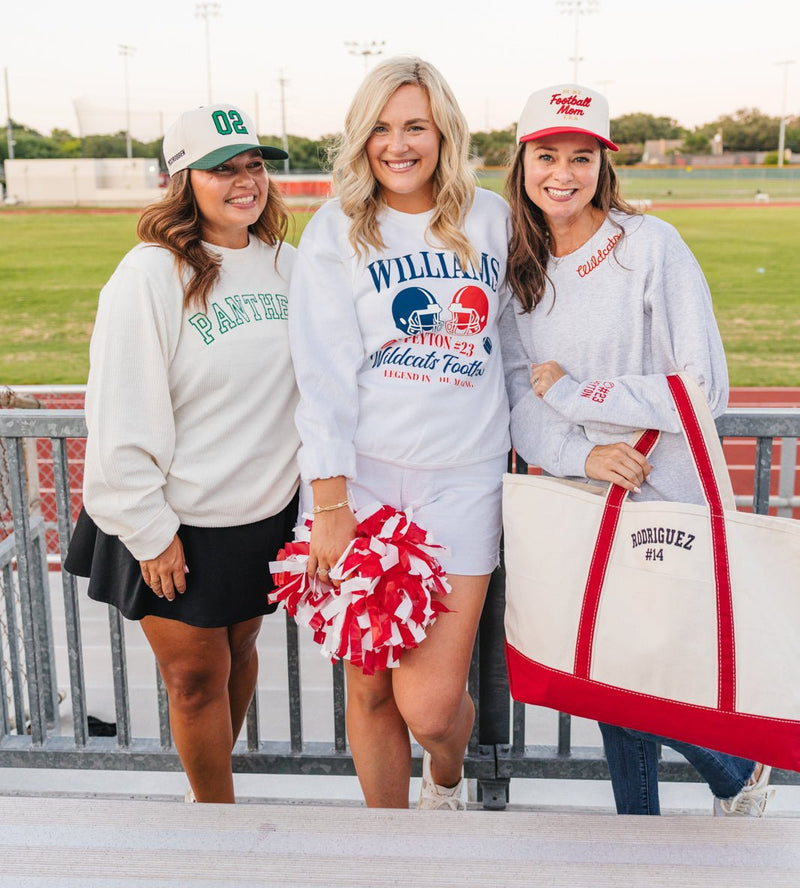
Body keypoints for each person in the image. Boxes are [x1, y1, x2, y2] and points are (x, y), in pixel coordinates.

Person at [500, 84, 773, 817]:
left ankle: (729, 773)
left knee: (634, 672)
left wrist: (585, 397)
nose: (564, 172)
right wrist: (579, 454)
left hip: (667, 490)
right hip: (585, 493)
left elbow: (703, 386)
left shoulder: (649, 245)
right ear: (523, 160)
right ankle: (705, 792)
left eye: (581, 156)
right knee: (605, 673)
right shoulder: (516, 267)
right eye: (548, 155)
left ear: (602, 164)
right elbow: (518, 394)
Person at [289, 56, 510, 809]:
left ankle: (445, 779)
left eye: (415, 125)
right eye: (380, 128)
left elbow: (520, 335)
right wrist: (328, 505)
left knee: (432, 707)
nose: (398, 144)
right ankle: (389, 851)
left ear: (443, 131)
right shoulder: (337, 232)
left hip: (463, 479)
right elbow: (320, 378)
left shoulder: (490, 218)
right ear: (361, 139)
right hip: (365, 481)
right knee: (369, 686)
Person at [65, 103, 300, 803]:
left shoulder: (286, 263)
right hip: (171, 518)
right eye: (221, 169)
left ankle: (212, 793)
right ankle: (217, 828)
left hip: (257, 512)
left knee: (240, 657)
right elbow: (121, 408)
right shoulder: (150, 274)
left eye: (253, 165)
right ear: (182, 181)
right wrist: (149, 530)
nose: (244, 181)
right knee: (195, 681)